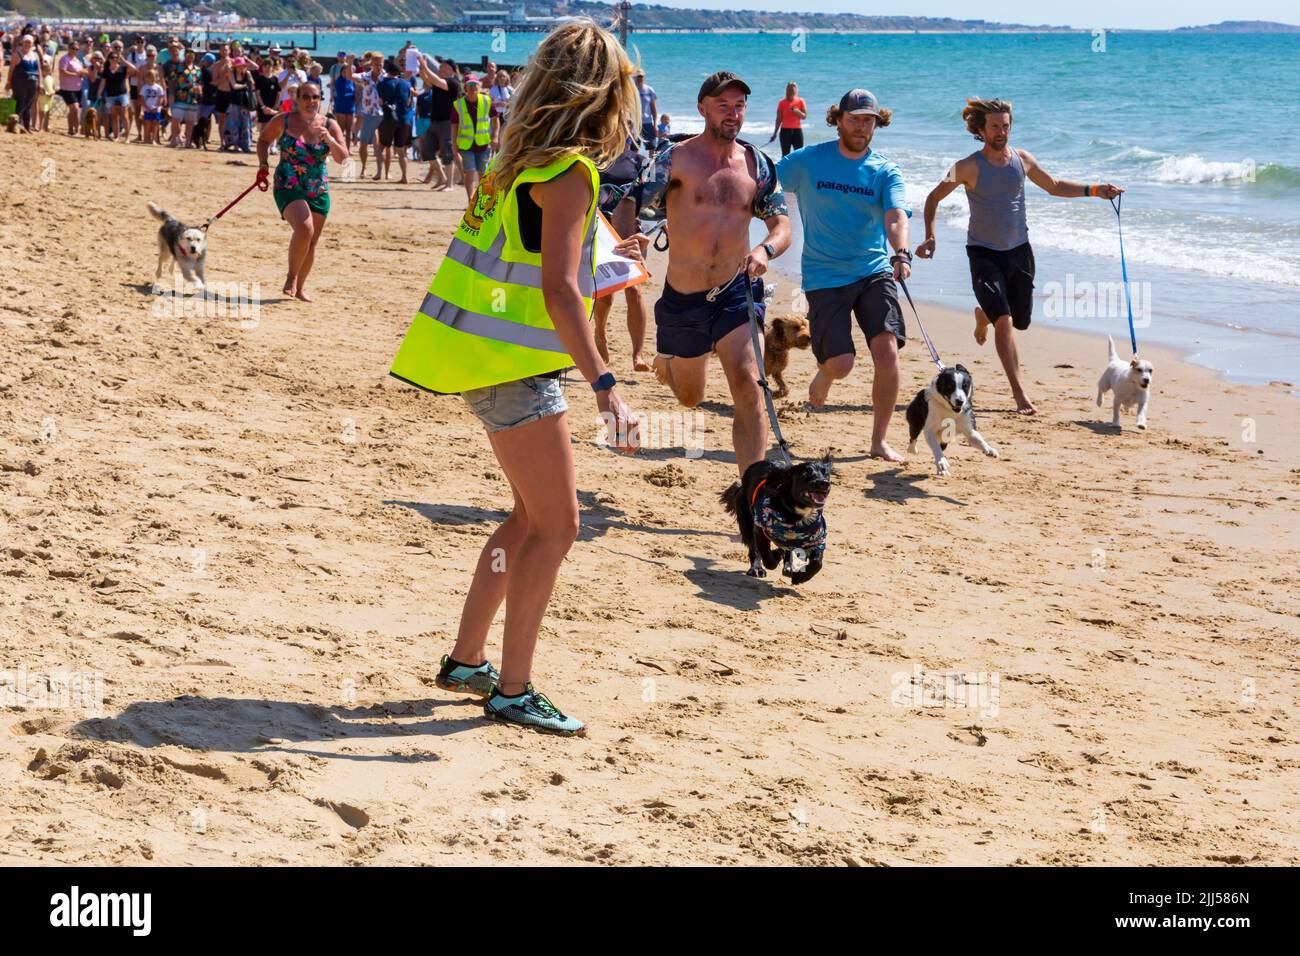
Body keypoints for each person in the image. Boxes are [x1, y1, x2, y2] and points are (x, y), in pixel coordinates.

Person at [390, 19, 647, 737]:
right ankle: (512, 688)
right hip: (515, 367)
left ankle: (468, 661)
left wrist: (609, 256)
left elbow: (537, 267)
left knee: (528, 520)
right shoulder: (570, 170)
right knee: (559, 527)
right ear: (603, 95)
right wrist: (606, 385)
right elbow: (561, 292)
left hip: (481, 359)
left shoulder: (517, 162)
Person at [916, 98, 1124, 415]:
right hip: (983, 253)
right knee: (1005, 321)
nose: (1002, 131)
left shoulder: (1022, 160)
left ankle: (982, 314)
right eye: (995, 126)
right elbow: (933, 198)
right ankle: (1019, 393)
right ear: (982, 130)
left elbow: (1054, 186)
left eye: (1006, 125)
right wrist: (931, 235)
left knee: (1020, 321)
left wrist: (1095, 190)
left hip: (1019, 252)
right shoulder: (967, 166)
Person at [644, 71, 791, 477]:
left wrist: (764, 248)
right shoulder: (673, 158)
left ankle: (754, 493)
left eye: (739, 105)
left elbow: (783, 226)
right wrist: (632, 239)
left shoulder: (757, 164)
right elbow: (637, 205)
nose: (733, 113)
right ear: (703, 108)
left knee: (750, 388)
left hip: (735, 294)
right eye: (723, 105)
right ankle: (669, 361)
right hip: (684, 299)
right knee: (691, 398)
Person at [776, 89, 911, 461]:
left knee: (887, 352)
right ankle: (826, 372)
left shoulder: (884, 170)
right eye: (854, 119)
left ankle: (879, 440)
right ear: (838, 119)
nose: (862, 127)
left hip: (873, 270)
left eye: (869, 120)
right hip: (824, 276)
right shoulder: (806, 161)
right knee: (841, 364)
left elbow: (896, 215)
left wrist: (901, 252)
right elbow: (763, 186)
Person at [256, 82, 349, 302]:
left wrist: (330, 139)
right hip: (288, 184)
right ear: (297, 98)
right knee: (304, 228)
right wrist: (263, 163)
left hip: (317, 188)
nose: (311, 101)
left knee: (312, 242)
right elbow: (263, 140)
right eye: (306, 97)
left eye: (315, 97)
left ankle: (299, 289)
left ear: (321, 99)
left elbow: (343, 158)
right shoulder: (283, 120)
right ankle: (291, 277)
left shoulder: (329, 124)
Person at [592, 141, 652, 371]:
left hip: (632, 233)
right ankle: (599, 334)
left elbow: (650, 200)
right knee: (605, 294)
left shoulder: (638, 161)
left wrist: (657, 226)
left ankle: (638, 355)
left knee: (634, 289)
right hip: (601, 233)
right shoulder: (591, 157)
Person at [415, 54, 460, 190]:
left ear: (452, 70)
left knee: (447, 153)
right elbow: (426, 79)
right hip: (434, 122)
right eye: (440, 67)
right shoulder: (438, 81)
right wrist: (421, 66)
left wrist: (425, 65)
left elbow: (435, 80)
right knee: (427, 152)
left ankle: (450, 184)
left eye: (445, 67)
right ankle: (442, 178)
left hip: (447, 122)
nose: (441, 69)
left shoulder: (453, 83)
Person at [451, 72, 496, 204]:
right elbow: (454, 125)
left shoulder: (487, 101)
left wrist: (496, 137)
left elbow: (495, 119)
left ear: (479, 86)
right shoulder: (457, 105)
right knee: (469, 173)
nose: (472, 87)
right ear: (465, 87)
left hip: (484, 144)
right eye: (469, 84)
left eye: (475, 84)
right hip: (466, 145)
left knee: (483, 174)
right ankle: (471, 201)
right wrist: (453, 144)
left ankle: (482, 201)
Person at [375, 58, 412, 183]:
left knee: (381, 147)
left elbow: (380, 101)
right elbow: (408, 102)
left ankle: (379, 173)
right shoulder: (407, 84)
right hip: (404, 119)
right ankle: (405, 177)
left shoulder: (382, 83)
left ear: (388, 71)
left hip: (389, 118)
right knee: (401, 150)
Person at [353, 53, 384, 178]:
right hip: (369, 113)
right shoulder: (365, 77)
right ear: (371, 64)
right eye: (376, 64)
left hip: (383, 113)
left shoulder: (386, 77)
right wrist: (350, 63)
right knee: (364, 143)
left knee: (382, 144)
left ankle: (380, 171)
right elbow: (350, 77)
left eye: (381, 64)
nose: (379, 66)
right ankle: (364, 168)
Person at [4, 33, 43, 132]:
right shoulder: (17, 54)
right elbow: (11, 69)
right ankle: (16, 126)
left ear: (32, 43)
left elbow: (39, 70)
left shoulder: (35, 55)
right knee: (20, 103)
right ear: (22, 42)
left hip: (32, 82)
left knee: (29, 105)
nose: (27, 44)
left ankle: (26, 127)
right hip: (19, 82)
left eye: (29, 42)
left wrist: (40, 83)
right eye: (25, 42)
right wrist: (9, 81)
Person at [768, 81, 807, 157]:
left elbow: (804, 116)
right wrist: (775, 134)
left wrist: (797, 111)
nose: (791, 91)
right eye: (789, 89)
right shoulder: (782, 102)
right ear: (787, 90)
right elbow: (779, 119)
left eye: (793, 89)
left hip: (797, 131)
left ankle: (798, 169)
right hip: (785, 131)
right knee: (785, 155)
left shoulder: (800, 101)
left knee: (799, 154)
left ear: (796, 90)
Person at [56, 43, 84, 135]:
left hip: (78, 88)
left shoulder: (77, 60)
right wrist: (75, 74)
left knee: (74, 110)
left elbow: (81, 71)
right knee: (75, 109)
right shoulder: (64, 59)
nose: (75, 50)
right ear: (69, 48)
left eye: (77, 49)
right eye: (73, 48)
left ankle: (71, 129)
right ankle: (75, 129)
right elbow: (62, 72)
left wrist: (82, 73)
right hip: (67, 88)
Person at [138, 66, 166, 145]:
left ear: (156, 77)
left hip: (156, 109)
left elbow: (161, 98)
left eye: (153, 76)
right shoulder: (144, 87)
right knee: (147, 123)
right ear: (146, 77)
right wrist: (146, 107)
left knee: (155, 124)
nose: (151, 78)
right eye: (149, 76)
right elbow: (142, 98)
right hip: (147, 109)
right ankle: (146, 138)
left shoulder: (158, 87)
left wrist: (157, 107)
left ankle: (154, 139)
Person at [331, 58, 356, 146]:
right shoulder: (338, 81)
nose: (346, 73)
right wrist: (353, 96)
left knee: (349, 130)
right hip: (341, 106)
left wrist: (356, 96)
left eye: (347, 72)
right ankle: (340, 147)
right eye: (344, 72)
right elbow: (342, 94)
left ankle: (348, 149)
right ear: (341, 72)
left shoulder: (352, 81)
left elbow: (356, 92)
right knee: (341, 129)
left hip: (350, 106)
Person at [634, 69, 657, 151]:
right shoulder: (631, 90)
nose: (639, 78)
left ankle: (651, 164)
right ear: (634, 77)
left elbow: (653, 109)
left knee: (652, 147)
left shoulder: (649, 90)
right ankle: (636, 163)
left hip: (647, 123)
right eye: (638, 76)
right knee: (634, 148)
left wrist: (655, 125)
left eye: (641, 76)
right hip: (634, 124)